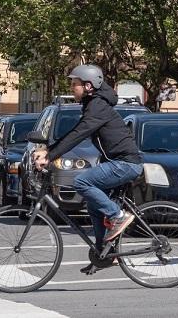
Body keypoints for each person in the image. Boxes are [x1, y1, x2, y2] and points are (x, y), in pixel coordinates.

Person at [33, 64, 143, 272]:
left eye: (75, 84)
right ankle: (104, 254)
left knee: (81, 181)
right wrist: (48, 149)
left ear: (89, 86)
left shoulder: (97, 106)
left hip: (126, 164)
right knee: (93, 204)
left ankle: (118, 216)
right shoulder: (93, 104)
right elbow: (76, 131)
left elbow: (79, 133)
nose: (72, 87)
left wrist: (50, 154)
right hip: (116, 163)